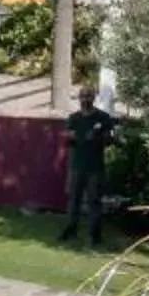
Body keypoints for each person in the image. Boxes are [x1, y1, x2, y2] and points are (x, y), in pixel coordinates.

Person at [60, 86, 116, 247]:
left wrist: (98, 138)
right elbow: (68, 140)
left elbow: (110, 139)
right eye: (83, 96)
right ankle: (70, 230)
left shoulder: (103, 117)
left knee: (94, 202)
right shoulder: (73, 118)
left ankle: (94, 235)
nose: (85, 99)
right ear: (79, 98)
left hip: (95, 167)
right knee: (74, 201)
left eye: (89, 96)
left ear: (94, 97)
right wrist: (70, 137)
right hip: (77, 165)